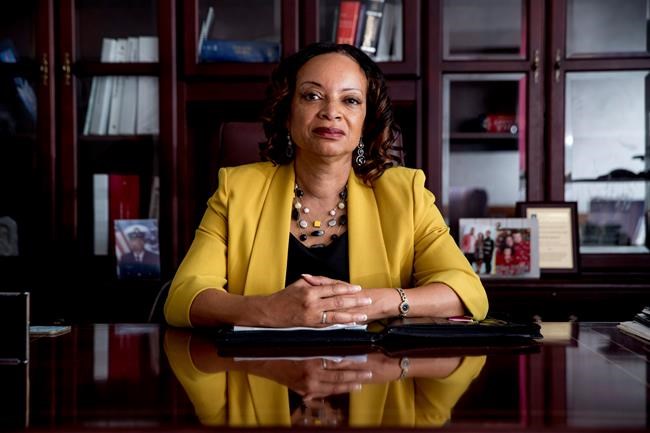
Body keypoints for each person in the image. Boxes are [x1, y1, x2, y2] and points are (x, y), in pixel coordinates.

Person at [164, 42, 488, 328]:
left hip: (374, 372)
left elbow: (467, 292)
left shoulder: (406, 194)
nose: (331, 112)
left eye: (350, 100)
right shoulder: (237, 190)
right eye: (312, 96)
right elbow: (183, 297)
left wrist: (373, 303)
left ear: (366, 123)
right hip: (260, 371)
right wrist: (267, 310)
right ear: (287, 112)